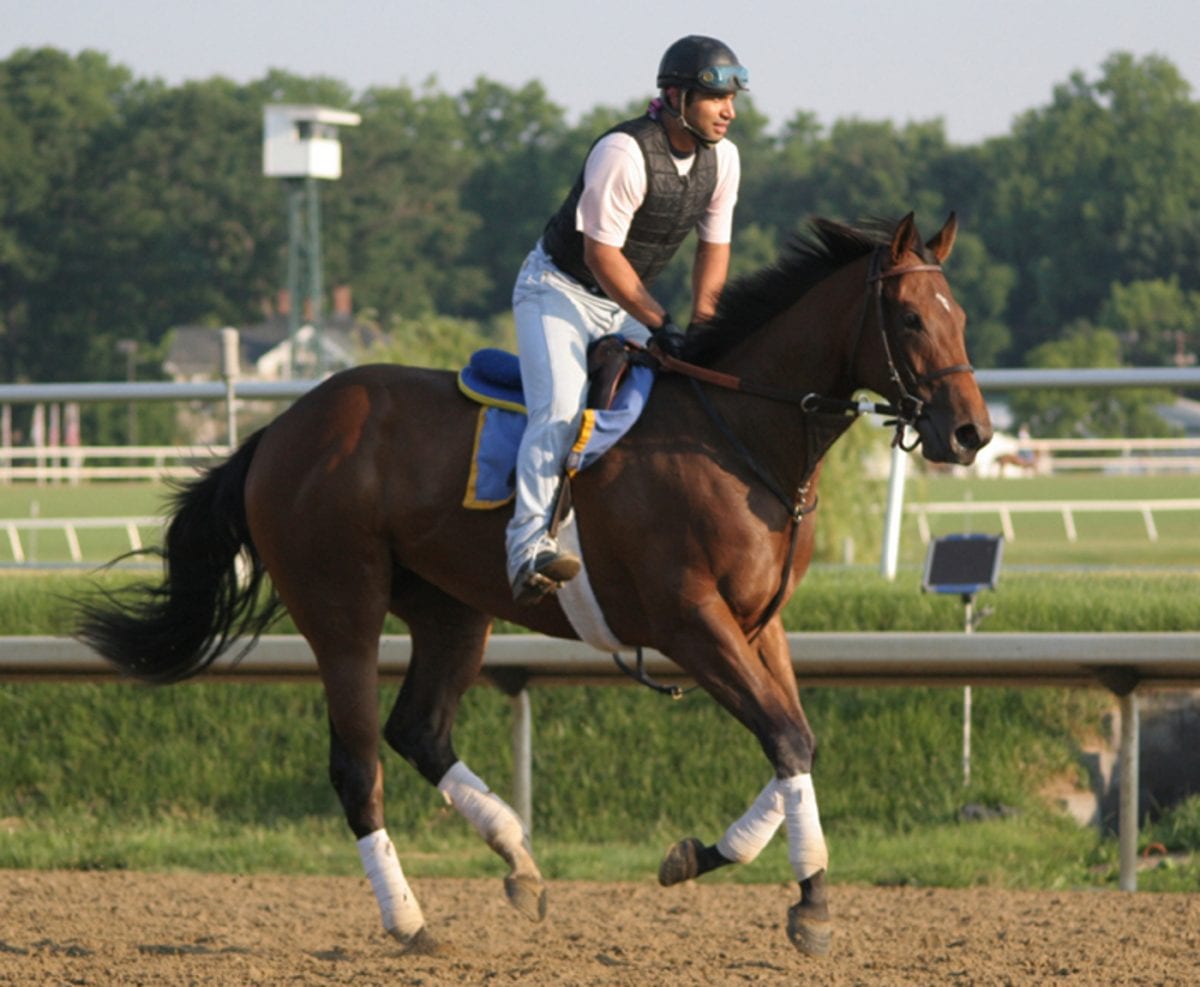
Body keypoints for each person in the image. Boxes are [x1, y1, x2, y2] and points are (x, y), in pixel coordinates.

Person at [506, 35, 747, 605]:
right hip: (557, 292)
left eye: (733, 99)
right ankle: (526, 548)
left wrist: (704, 327)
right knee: (561, 409)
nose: (730, 112)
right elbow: (599, 256)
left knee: (688, 393)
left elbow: (714, 250)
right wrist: (661, 320)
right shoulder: (623, 152)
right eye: (716, 99)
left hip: (622, 301)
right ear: (675, 96)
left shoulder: (726, 160)